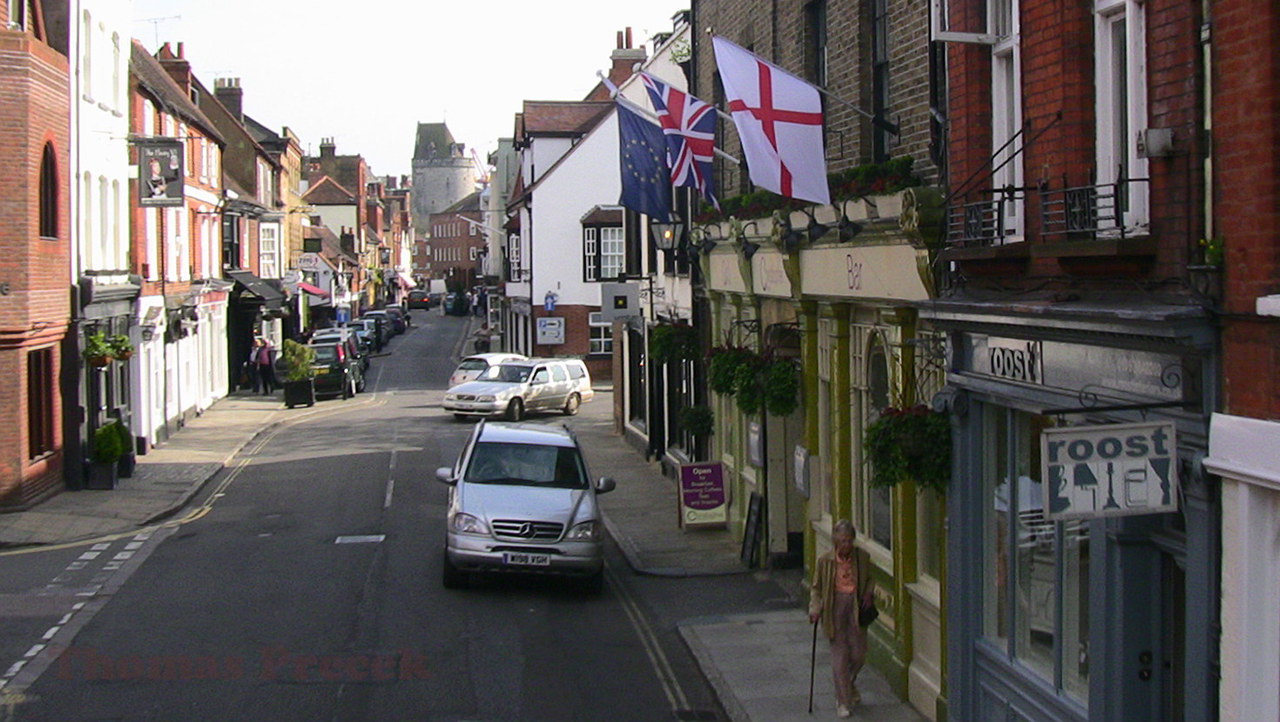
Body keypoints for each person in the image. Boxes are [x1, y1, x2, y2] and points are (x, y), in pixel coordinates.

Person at [809, 520, 875, 718]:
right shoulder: (825, 561)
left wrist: (869, 593)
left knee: (858, 654)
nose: (847, 545)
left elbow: (871, 579)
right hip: (834, 608)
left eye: (850, 541)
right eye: (843, 541)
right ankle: (842, 701)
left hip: (855, 608)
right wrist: (815, 609)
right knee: (840, 656)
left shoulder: (862, 557)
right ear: (836, 541)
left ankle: (849, 683)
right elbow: (816, 588)